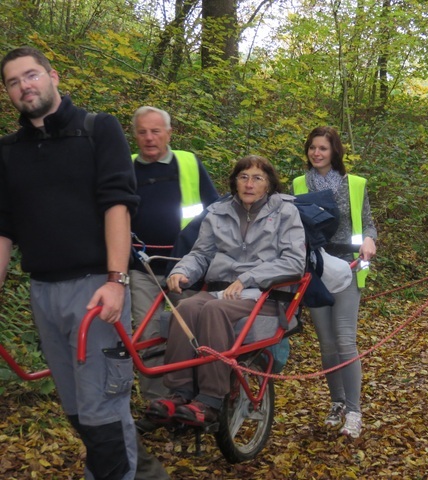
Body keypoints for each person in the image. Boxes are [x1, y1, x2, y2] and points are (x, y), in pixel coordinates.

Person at [0, 47, 141, 479]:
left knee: (103, 408)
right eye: (13, 81)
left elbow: (117, 203)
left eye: (31, 75)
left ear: (52, 76)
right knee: (78, 409)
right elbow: (3, 230)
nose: (25, 85)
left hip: (96, 286)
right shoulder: (7, 151)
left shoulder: (98, 128)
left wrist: (116, 279)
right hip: (43, 291)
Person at [145, 155, 306, 426]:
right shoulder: (218, 212)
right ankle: (180, 392)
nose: (249, 184)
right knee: (185, 308)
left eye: (257, 178)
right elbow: (201, 253)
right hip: (220, 291)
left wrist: (249, 278)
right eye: (243, 177)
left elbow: (294, 261)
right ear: (234, 182)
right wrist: (181, 271)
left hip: (264, 295)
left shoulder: (285, 212)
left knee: (213, 310)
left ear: (269, 184)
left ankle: (211, 399)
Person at [292, 126, 377, 439]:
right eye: (312, 147)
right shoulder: (298, 184)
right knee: (327, 344)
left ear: (335, 152)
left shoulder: (354, 184)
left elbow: (368, 222)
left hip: (349, 268)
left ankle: (354, 411)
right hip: (315, 271)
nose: (317, 153)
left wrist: (369, 240)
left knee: (344, 339)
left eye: (323, 148)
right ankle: (337, 403)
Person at [130, 106, 219, 402]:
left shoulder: (189, 163)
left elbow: (217, 211)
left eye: (156, 131)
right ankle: (157, 403)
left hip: (186, 266)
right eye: (142, 131)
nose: (149, 138)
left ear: (169, 133)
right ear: (134, 134)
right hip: (141, 268)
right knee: (146, 338)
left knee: (197, 329)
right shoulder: (124, 167)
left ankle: (198, 398)